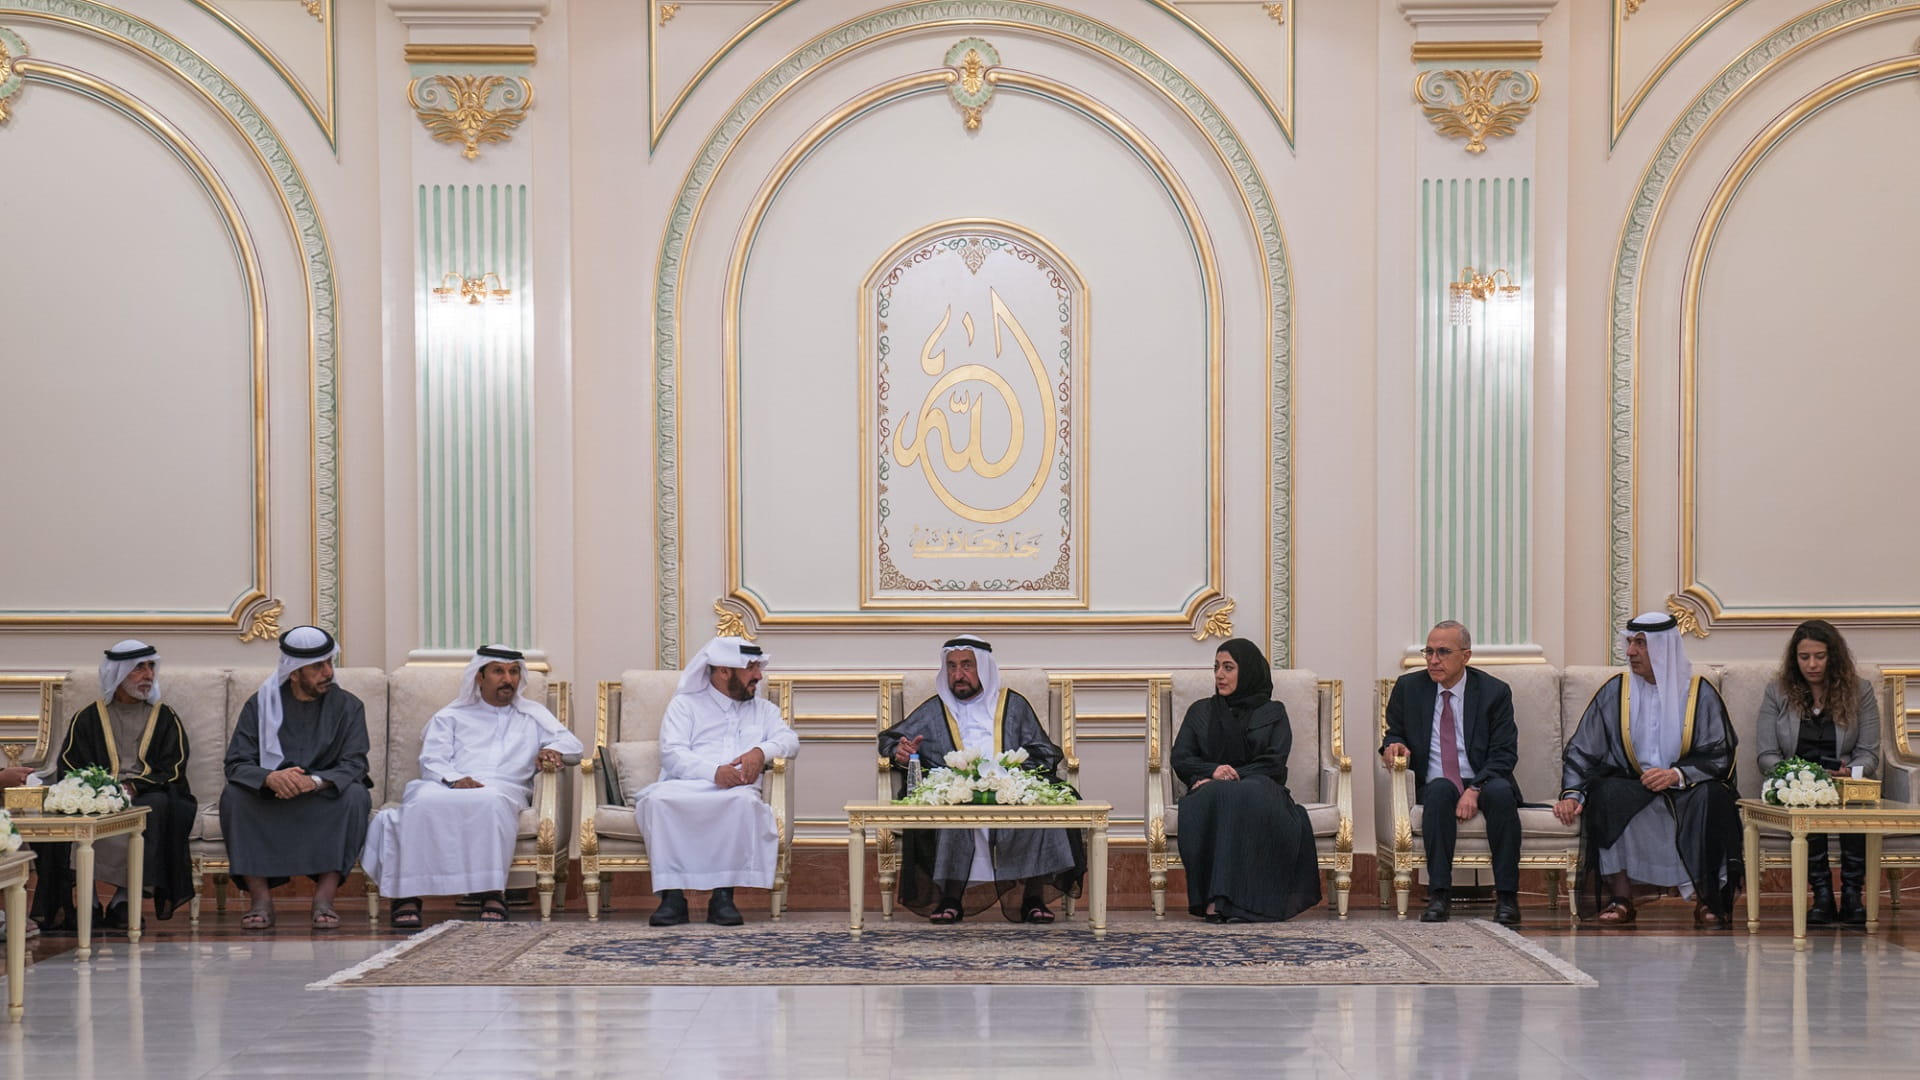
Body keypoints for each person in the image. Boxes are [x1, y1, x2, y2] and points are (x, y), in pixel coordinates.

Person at [362, 646, 583, 927]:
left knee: (490, 801)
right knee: (421, 803)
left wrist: (551, 749)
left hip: (504, 788)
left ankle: (491, 893)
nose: (508, 679)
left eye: (514, 672)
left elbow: (572, 745)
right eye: (499, 671)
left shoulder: (533, 715)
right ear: (480, 677)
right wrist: (455, 779)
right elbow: (431, 759)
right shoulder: (452, 716)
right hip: (446, 784)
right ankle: (407, 895)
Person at [879, 635, 1083, 924]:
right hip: (957, 789)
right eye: (951, 667)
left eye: (966, 665)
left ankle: (1033, 898)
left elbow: (1042, 750)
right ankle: (951, 897)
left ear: (984, 668)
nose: (958, 674)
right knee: (951, 807)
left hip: (1009, 785)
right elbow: (892, 740)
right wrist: (900, 752)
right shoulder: (936, 709)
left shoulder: (1013, 705)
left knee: (1040, 805)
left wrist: (1013, 775)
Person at [1556, 612, 1743, 928]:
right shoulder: (1617, 690)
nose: (1630, 652)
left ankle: (1708, 898)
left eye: (1641, 644)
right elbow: (1582, 750)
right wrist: (1572, 793)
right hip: (1634, 783)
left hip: (1688, 786)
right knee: (1605, 792)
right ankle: (1621, 898)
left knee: (1714, 796)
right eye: (1630, 642)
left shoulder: (1698, 691)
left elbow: (1720, 754)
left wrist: (1676, 775)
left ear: (1663, 648)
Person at [30, 640, 196, 931]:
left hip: (146, 793)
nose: (148, 675)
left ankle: (124, 901)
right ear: (118, 674)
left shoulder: (164, 717)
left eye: (151, 667)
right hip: (98, 795)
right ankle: (90, 901)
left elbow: (174, 768)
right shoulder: (88, 717)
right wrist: (96, 790)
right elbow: (69, 766)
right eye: (139, 668)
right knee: (69, 811)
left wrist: (136, 786)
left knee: (160, 805)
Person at [633, 636, 799, 927]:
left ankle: (723, 898)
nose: (758, 676)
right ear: (724, 671)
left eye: (758, 668)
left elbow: (790, 741)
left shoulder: (763, 711)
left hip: (736, 790)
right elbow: (672, 754)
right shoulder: (685, 705)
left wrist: (761, 751)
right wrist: (714, 772)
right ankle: (672, 898)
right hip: (685, 785)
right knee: (658, 802)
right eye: (751, 668)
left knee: (743, 802)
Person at [219, 626, 372, 930]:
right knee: (234, 796)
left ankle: (324, 899)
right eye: (318, 667)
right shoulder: (260, 704)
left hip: (322, 794)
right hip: (272, 796)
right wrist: (270, 778)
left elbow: (355, 764)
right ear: (294, 673)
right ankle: (260, 901)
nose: (328, 672)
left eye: (329, 663)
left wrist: (314, 781)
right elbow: (236, 763)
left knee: (356, 796)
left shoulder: (348, 706)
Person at [1380, 621, 1523, 925]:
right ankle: (1439, 895)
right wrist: (1394, 746)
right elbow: (1394, 732)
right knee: (1440, 791)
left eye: (1443, 652)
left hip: (1483, 777)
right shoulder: (1408, 688)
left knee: (1501, 793)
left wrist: (1475, 789)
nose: (1433, 660)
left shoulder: (1494, 692)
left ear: (1466, 656)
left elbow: (1504, 753)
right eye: (1429, 652)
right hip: (1435, 781)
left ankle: (1507, 898)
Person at [1171, 637, 1321, 922]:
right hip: (1210, 788)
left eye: (1228, 667)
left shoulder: (1273, 712)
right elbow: (1181, 757)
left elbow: (1274, 761)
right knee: (1217, 796)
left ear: (1248, 671)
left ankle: (1241, 903)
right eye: (1216, 667)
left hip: (1260, 786)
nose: (1219, 674)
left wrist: (1235, 776)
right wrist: (1213, 771)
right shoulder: (1201, 711)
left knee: (1241, 794)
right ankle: (1217, 899)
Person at [1756, 619, 1880, 925]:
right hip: (1796, 783)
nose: (1812, 664)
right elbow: (1766, 754)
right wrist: (1792, 775)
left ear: (1832, 656)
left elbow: (1869, 752)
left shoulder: (1860, 691)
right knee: (1805, 801)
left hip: (1843, 783)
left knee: (1856, 801)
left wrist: (1852, 773)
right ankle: (1822, 895)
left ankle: (1852, 895)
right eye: (1804, 657)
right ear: (1795, 659)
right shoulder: (1777, 692)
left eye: (1820, 656)